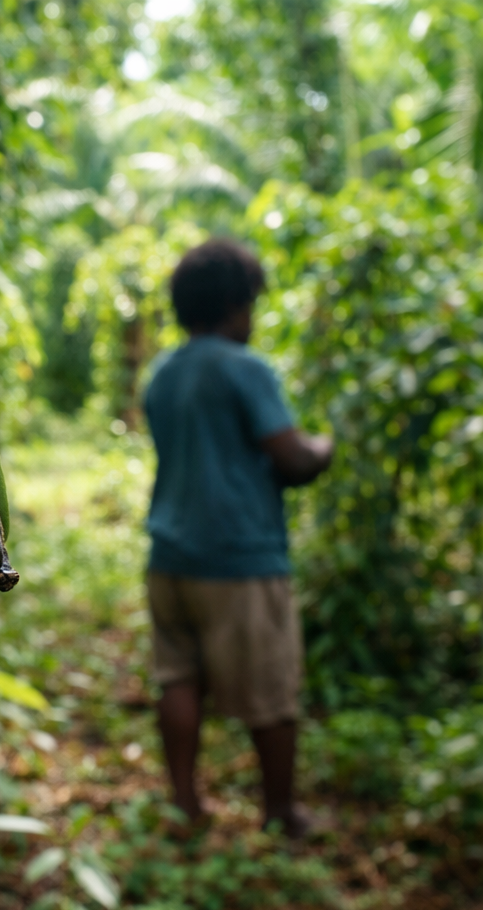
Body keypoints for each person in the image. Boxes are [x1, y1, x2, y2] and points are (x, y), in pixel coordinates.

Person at [142, 238, 333, 838]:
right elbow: (293, 459)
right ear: (234, 305)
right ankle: (280, 811)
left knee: (178, 678)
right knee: (270, 692)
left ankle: (185, 802)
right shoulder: (246, 369)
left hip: (170, 556)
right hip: (240, 561)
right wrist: (323, 447)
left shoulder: (162, 373)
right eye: (250, 304)